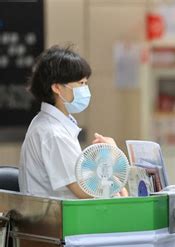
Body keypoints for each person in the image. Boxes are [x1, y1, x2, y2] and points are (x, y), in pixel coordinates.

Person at [19, 45, 123, 199]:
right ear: (57, 87)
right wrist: (113, 156)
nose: (85, 89)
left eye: (86, 83)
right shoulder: (53, 133)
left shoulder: (52, 124)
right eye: (81, 84)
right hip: (59, 221)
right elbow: (85, 190)